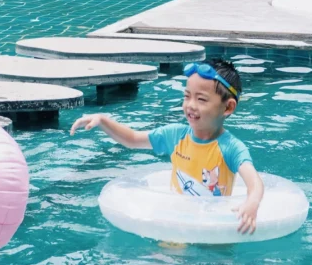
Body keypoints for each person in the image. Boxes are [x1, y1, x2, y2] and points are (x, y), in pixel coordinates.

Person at [71, 59, 265, 234]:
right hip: (177, 226)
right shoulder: (175, 135)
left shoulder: (231, 147)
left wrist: (252, 203)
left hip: (211, 231)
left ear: (228, 107)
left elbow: (254, 182)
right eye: (187, 96)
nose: (190, 105)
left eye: (201, 99)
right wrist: (103, 120)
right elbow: (132, 139)